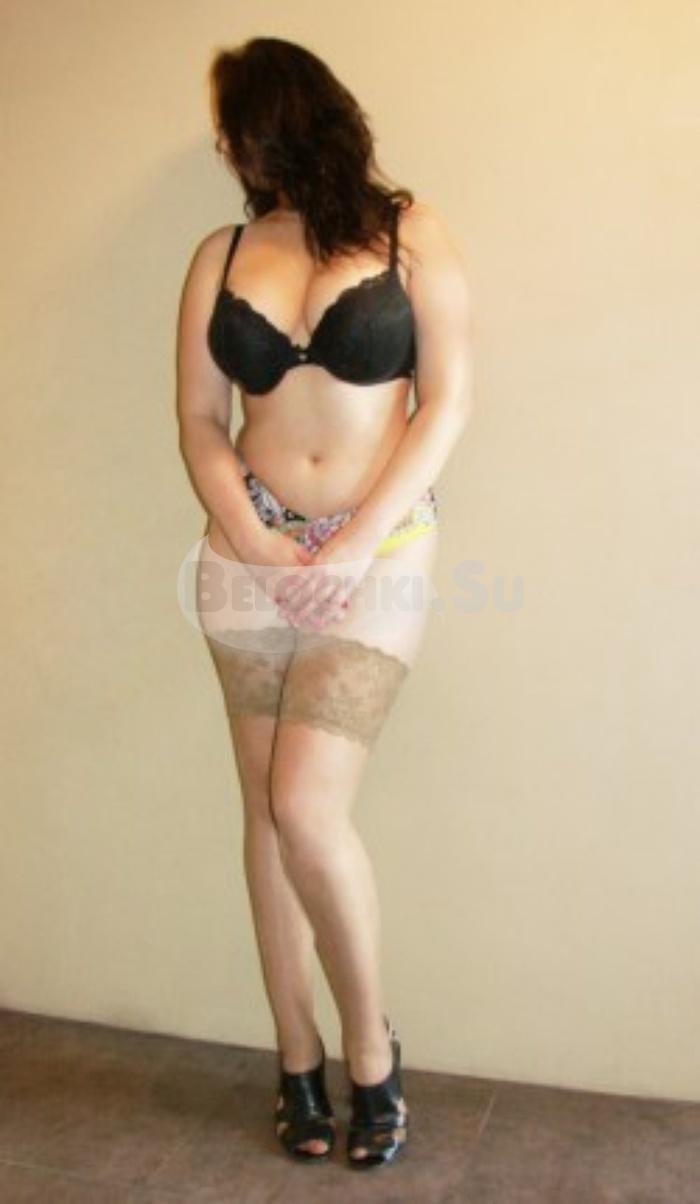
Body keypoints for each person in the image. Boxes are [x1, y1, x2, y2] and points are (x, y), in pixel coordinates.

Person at [176, 36, 473, 1170]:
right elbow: (199, 419)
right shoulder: (221, 252)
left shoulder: (411, 234)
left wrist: (348, 543)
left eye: (240, 131)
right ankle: (295, 1059)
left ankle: (369, 1050)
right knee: (263, 812)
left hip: (378, 554)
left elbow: (444, 404)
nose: (230, 153)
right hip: (244, 558)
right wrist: (256, 540)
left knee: (304, 807)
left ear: (293, 121)